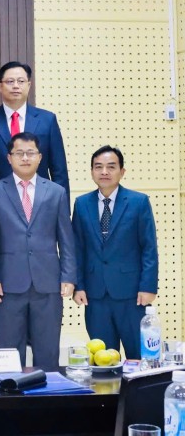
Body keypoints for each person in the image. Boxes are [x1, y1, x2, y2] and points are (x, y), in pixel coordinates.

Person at [0, 132, 76, 371]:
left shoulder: (56, 192)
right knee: (10, 352)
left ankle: (47, 403)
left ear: (40, 157)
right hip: (8, 284)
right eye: (19, 153)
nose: (25, 157)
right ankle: (12, 405)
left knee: (48, 350)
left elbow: (66, 239)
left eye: (30, 152)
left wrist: (68, 276)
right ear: (9, 158)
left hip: (48, 283)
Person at [72, 146, 158, 360]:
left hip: (132, 295)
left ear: (122, 171)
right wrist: (78, 285)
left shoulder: (138, 202)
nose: (104, 172)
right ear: (92, 171)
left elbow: (149, 248)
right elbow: (77, 249)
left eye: (111, 167)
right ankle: (109, 394)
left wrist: (148, 287)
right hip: (95, 294)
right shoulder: (82, 204)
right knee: (103, 358)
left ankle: (137, 395)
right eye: (98, 167)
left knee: (138, 357)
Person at [0, 61, 69, 195]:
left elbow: (59, 170)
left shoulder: (47, 120)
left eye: (21, 81)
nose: (16, 86)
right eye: (10, 81)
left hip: (41, 199)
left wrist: (63, 211)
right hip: (0, 200)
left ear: (29, 85)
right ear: (0, 86)